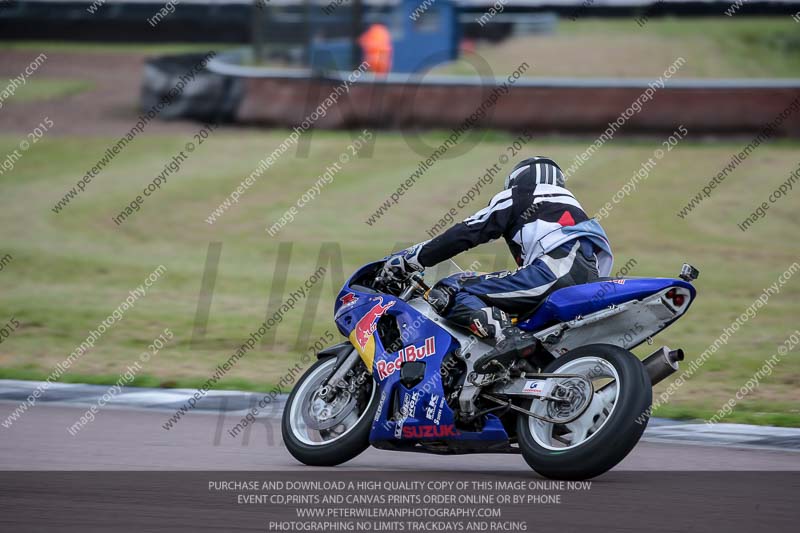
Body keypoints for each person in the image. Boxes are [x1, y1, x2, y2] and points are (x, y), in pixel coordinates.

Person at [382, 157, 613, 373]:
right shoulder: (573, 208)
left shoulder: (523, 194)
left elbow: (468, 232)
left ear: (518, 180)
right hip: (587, 285)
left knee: (452, 289)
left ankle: (508, 338)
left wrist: (411, 258)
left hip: (554, 274)